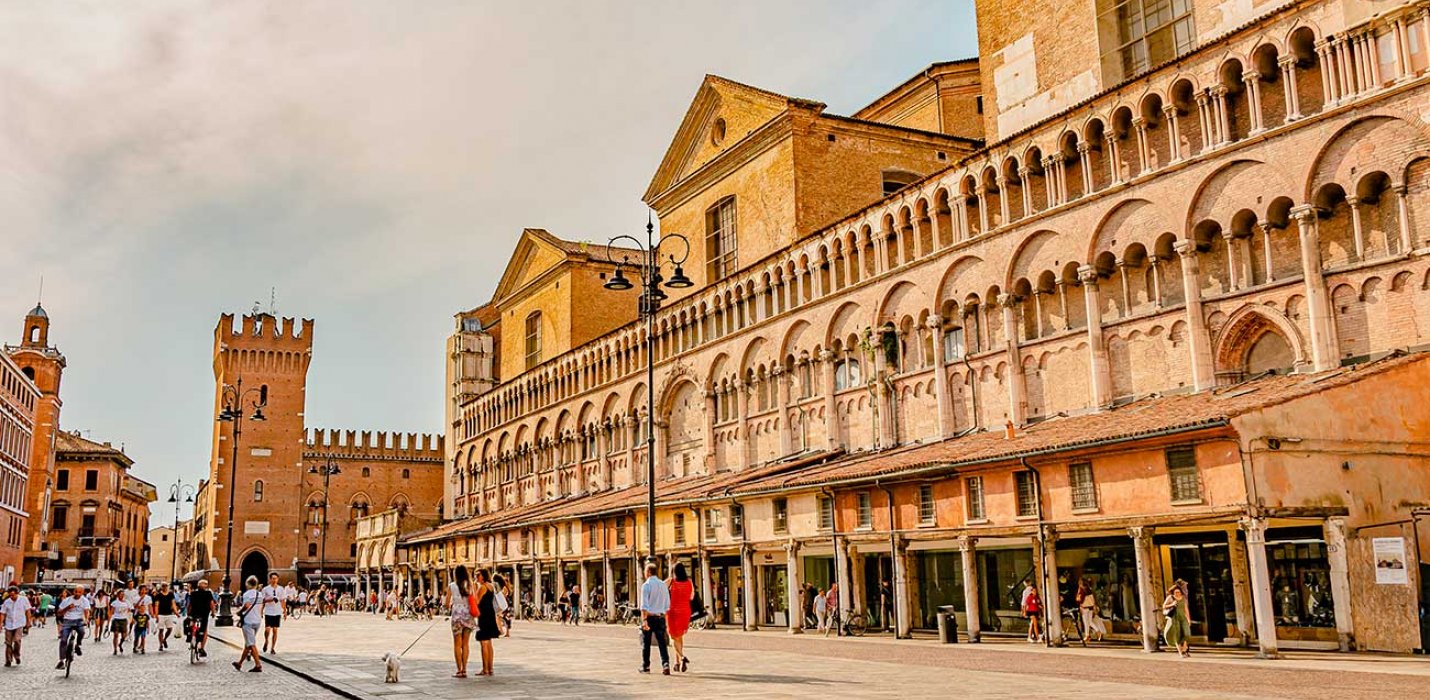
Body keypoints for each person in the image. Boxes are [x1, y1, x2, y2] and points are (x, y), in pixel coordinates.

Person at [638, 562, 671, 675]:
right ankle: (665, 664)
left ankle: (646, 665)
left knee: (646, 643)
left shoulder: (646, 586)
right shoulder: (663, 585)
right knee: (662, 642)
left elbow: (644, 606)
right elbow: (667, 605)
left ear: (648, 572)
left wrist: (644, 620)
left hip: (650, 617)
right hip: (661, 617)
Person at [446, 565, 474, 678]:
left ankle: (459, 670)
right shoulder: (470, 585)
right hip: (468, 615)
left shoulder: (452, 586)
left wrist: (452, 604)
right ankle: (465, 669)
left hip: (457, 616)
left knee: (457, 644)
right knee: (466, 643)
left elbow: (446, 603)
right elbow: (474, 599)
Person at [666, 563, 694, 673]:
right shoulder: (689, 582)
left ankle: (682, 657)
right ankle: (677, 663)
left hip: (673, 611)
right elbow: (692, 597)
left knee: (673, 637)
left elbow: (659, 588)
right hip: (685, 611)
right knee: (679, 637)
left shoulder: (671, 581)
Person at [233, 576, 264, 672]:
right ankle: (240, 663)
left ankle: (258, 665)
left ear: (248, 584)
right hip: (257, 620)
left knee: (251, 643)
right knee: (248, 643)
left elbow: (246, 605)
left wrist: (239, 612)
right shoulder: (260, 594)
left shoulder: (247, 594)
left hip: (248, 621)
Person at [54, 585, 90, 669]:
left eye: (80, 592)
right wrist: (67, 608)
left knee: (82, 632)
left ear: (82, 593)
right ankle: (61, 660)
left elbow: (86, 611)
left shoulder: (84, 600)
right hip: (67, 620)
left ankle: (78, 645)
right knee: (63, 639)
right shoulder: (67, 600)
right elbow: (59, 613)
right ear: (73, 591)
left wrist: (86, 620)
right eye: (76, 591)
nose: (77, 593)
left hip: (79, 620)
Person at [473, 569, 498, 676]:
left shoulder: (482, 587)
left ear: (483, 576)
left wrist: (474, 588)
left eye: (478, 575)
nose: (476, 577)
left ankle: (485, 669)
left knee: (484, 643)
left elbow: (476, 601)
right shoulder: (491, 586)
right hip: (490, 614)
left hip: (484, 615)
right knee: (489, 643)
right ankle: (490, 668)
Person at [1, 585, 33, 666]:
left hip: (19, 623)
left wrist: (29, 621)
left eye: (13, 595)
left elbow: (28, 611)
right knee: (8, 643)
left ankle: (17, 656)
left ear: (17, 593)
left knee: (17, 640)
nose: (12, 597)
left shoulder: (23, 600)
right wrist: (1, 623)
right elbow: (3, 613)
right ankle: (8, 660)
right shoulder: (7, 602)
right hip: (9, 624)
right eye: (10, 595)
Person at [185, 579, 216, 658]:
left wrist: (188, 613)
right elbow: (211, 603)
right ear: (205, 586)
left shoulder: (193, 593)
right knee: (204, 630)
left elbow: (190, 604)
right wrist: (213, 612)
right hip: (204, 613)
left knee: (191, 623)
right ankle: (201, 648)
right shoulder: (208, 593)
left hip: (194, 613)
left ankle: (190, 635)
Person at [1163, 584, 1191, 658]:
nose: (1177, 594)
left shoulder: (1183, 598)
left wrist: (1188, 619)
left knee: (1187, 633)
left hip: (1182, 618)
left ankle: (1184, 648)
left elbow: (1186, 609)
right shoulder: (1170, 598)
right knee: (1177, 635)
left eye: (1178, 592)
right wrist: (1172, 604)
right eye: (1175, 592)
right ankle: (1180, 652)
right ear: (1173, 593)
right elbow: (1164, 606)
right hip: (1174, 619)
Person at [260, 573, 286, 654]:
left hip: (277, 611)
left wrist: (285, 611)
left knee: (275, 630)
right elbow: (262, 600)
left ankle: (272, 648)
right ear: (270, 579)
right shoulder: (265, 589)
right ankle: (266, 641)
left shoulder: (281, 589)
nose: (274, 580)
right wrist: (270, 600)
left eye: (276, 578)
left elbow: (282, 600)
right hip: (268, 611)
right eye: (273, 578)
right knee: (267, 629)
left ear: (278, 579)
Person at [154, 583, 180, 652]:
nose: (165, 587)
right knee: (161, 630)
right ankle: (160, 645)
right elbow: (156, 605)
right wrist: (156, 615)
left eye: (166, 586)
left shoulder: (171, 594)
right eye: (163, 586)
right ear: (161, 587)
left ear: (168, 587)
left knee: (170, 629)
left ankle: (164, 639)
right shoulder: (158, 595)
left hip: (169, 614)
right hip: (161, 614)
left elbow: (173, 604)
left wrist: (176, 612)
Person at [132, 584, 153, 654]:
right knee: (137, 635)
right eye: (142, 589)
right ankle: (135, 646)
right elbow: (135, 607)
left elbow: (150, 606)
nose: (144, 591)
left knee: (143, 635)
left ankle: (142, 647)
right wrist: (141, 599)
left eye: (145, 589)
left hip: (145, 615)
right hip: (138, 615)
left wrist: (152, 614)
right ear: (139, 590)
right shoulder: (135, 597)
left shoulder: (148, 598)